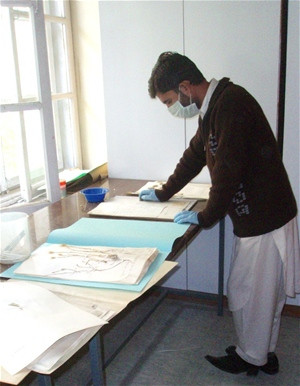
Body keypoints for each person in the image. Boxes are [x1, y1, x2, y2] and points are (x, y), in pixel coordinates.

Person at [139, 51, 300, 376]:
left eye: (170, 100)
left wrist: (205, 216)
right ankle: (262, 353)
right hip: (261, 215)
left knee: (247, 293)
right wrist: (164, 191)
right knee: (260, 293)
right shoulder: (214, 108)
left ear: (185, 86)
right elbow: (196, 154)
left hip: (264, 218)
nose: (173, 108)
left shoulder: (231, 105)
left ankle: (251, 358)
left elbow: (227, 171)